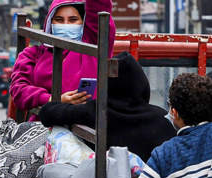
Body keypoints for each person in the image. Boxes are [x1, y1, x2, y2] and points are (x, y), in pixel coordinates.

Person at [38, 53, 176, 161]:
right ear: (142, 83)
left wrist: (67, 101)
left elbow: (46, 113)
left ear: (107, 84)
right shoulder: (162, 117)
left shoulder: (95, 110)